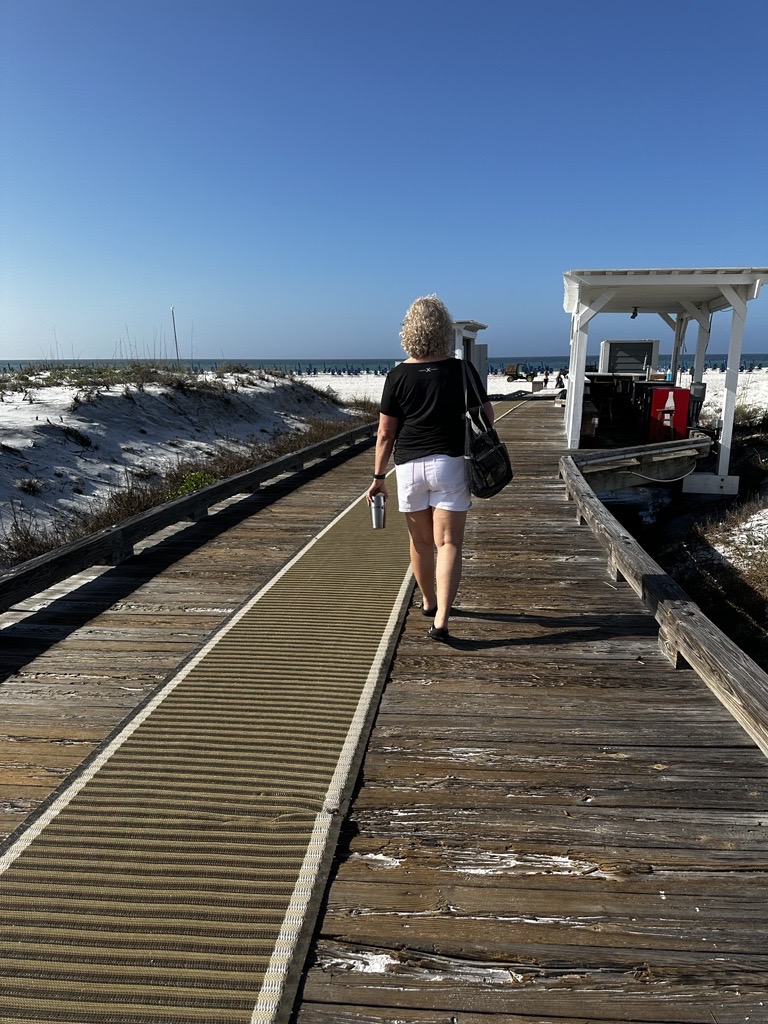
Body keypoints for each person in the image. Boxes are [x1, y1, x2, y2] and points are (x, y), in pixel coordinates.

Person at [366, 295, 494, 642]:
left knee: (421, 544)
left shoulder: (397, 376)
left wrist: (378, 478)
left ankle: (427, 600)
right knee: (449, 543)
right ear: (444, 332)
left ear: (409, 331)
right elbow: (486, 416)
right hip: (450, 464)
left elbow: (385, 433)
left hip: (408, 467)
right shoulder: (462, 370)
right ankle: (441, 621)